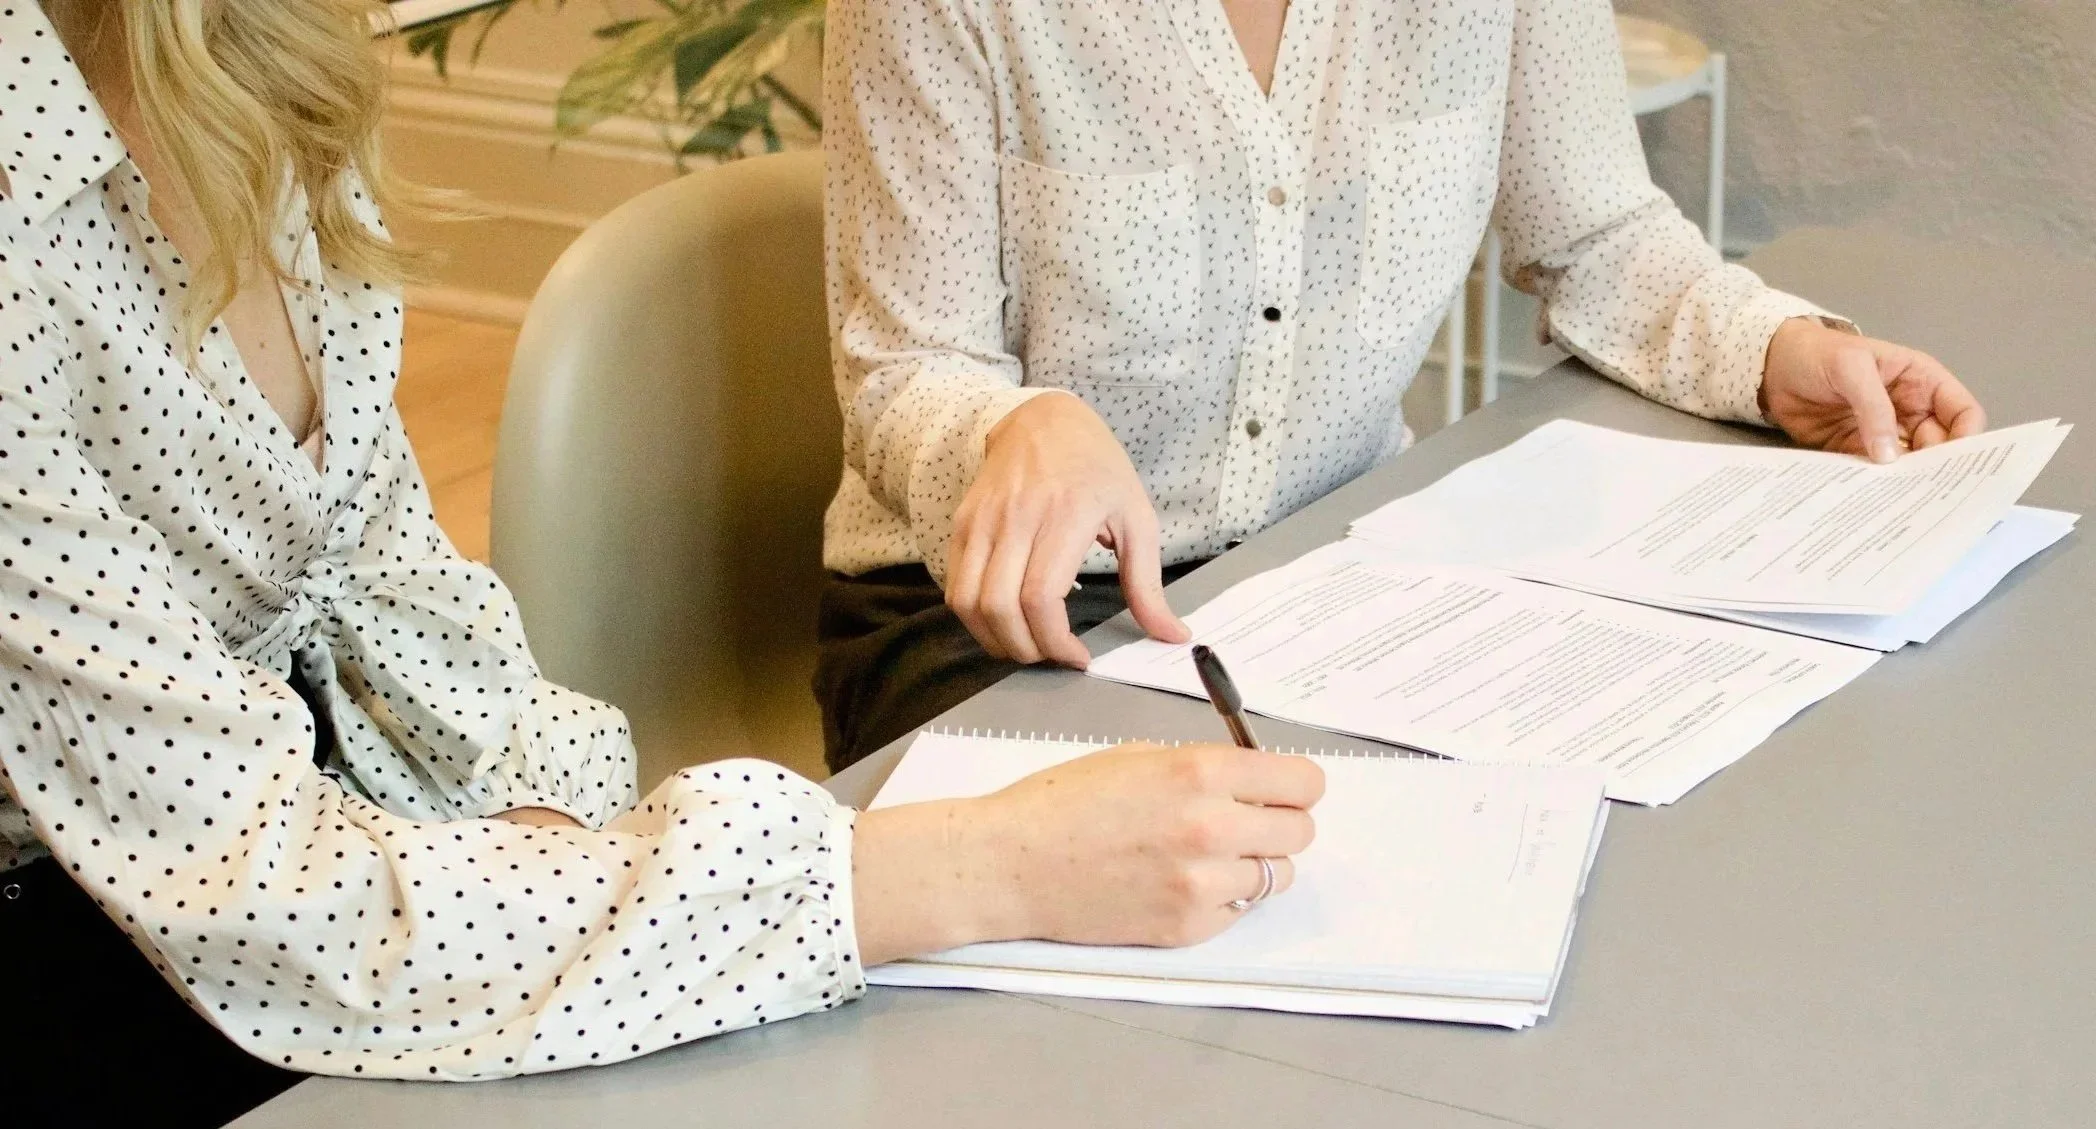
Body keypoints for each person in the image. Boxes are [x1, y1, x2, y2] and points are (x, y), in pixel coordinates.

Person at [0, 3, 1324, 1124]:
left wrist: (545, 828)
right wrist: (984, 868)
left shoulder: (261, 74)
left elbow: (394, 588)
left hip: (313, 852)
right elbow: (276, 901)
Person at [814, 0, 1990, 771]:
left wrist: (1775, 349)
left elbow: (1594, 231)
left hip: (1331, 580)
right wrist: (1015, 428)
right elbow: (904, 367)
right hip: (998, 618)